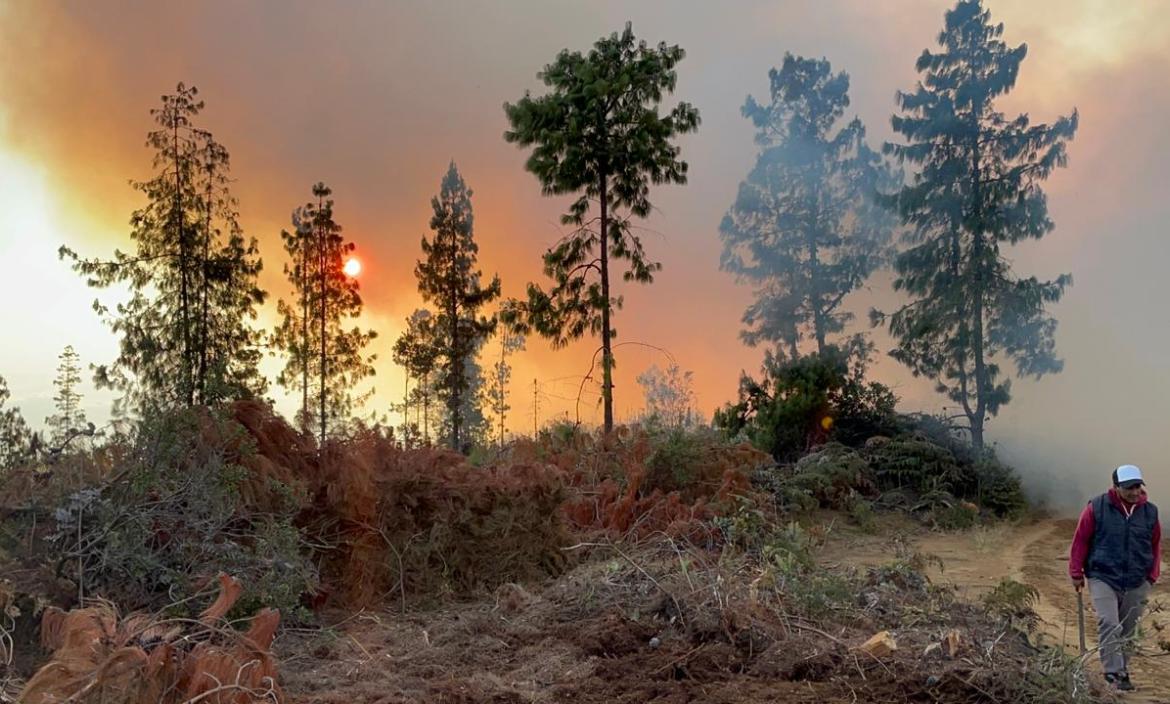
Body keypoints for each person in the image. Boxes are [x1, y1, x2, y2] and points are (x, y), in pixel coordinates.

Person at [1068, 464, 1161, 691]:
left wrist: (1151, 575)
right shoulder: (1097, 507)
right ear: (1116, 487)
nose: (1135, 491)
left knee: (1129, 629)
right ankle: (1112, 673)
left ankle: (1122, 670)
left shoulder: (1150, 511)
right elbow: (1081, 539)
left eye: (1138, 486)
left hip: (1137, 579)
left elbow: (1155, 544)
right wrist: (1076, 572)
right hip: (1103, 576)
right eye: (1129, 487)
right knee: (1109, 623)